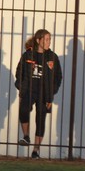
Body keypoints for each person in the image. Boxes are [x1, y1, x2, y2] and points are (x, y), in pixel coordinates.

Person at [15, 29, 63, 160]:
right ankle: (26, 136)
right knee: (23, 110)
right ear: (38, 40)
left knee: (40, 120)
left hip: (44, 94)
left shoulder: (52, 57)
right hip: (29, 91)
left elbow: (58, 77)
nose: (49, 42)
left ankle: (35, 150)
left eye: (49, 39)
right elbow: (19, 72)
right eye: (46, 39)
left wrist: (51, 93)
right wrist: (21, 87)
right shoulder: (28, 55)